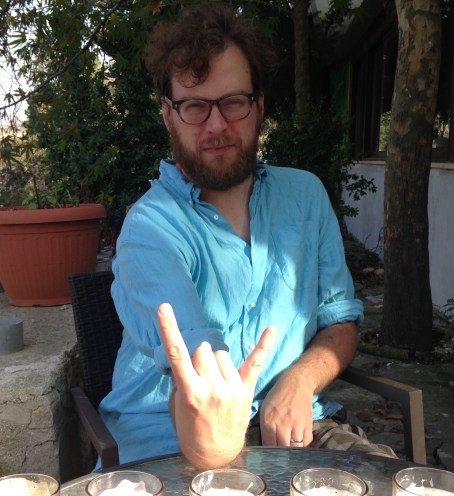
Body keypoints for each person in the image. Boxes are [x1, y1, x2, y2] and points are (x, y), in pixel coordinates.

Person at [98, 2, 395, 469]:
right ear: (168, 115)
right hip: (168, 445)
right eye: (195, 106)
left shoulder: (306, 196)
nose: (217, 125)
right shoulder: (150, 228)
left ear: (259, 105)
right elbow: (198, 370)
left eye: (233, 102)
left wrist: (299, 381)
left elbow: (339, 325)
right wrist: (218, 446)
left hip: (299, 430)